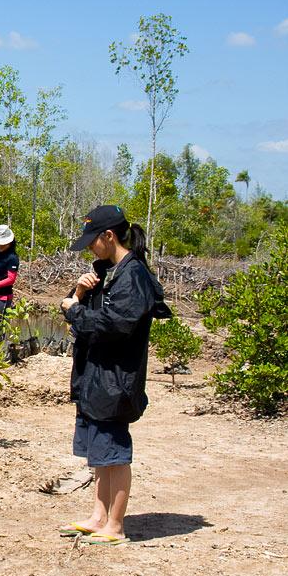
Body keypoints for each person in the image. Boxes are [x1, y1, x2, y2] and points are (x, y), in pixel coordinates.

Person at [57, 205, 171, 545]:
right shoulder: (107, 273)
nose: (91, 248)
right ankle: (99, 516)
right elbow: (80, 317)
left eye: (93, 241)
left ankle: (116, 527)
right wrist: (77, 295)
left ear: (109, 236)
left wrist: (74, 309)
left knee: (115, 453)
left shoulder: (133, 275)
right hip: (96, 377)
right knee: (99, 454)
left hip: (116, 380)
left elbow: (116, 325)